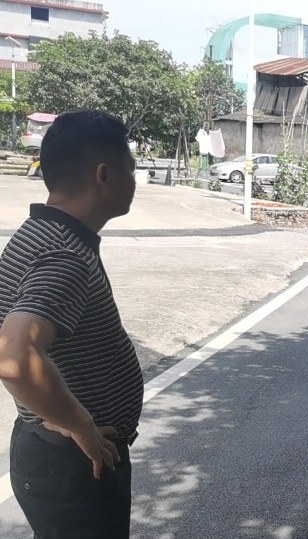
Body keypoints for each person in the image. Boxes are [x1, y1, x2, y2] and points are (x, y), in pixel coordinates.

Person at [0, 110, 143, 537]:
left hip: (58, 453)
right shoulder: (65, 255)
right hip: (75, 462)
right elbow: (14, 358)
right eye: (130, 168)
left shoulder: (37, 233)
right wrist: (81, 426)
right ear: (104, 175)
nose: (134, 179)